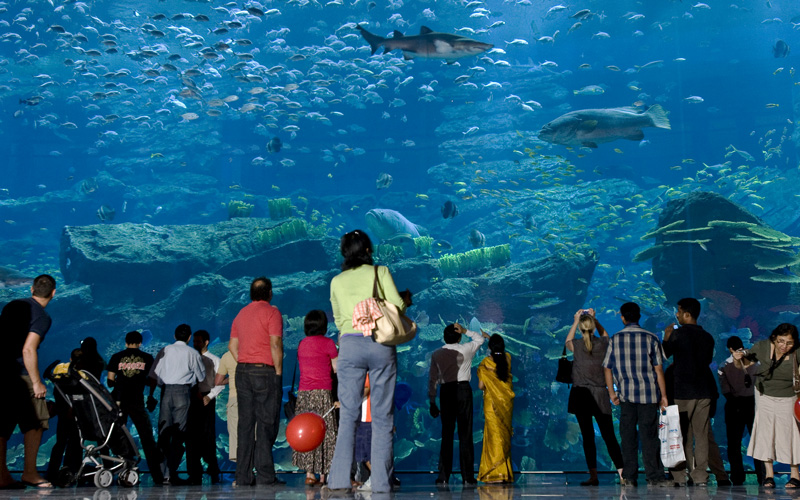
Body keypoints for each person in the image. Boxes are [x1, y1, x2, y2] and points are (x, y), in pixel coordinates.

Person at [325, 230, 411, 495]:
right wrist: (404, 301)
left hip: (350, 345)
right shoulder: (379, 272)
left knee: (348, 414)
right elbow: (396, 305)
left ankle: (338, 479)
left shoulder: (336, 281)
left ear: (344, 252)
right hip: (380, 344)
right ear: (368, 251)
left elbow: (339, 320)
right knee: (383, 417)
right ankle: (382, 484)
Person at [602, 301, 670, 487]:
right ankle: (655, 476)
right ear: (639, 316)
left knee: (628, 437)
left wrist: (611, 393)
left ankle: (629, 477)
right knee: (650, 437)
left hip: (626, 396)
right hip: (649, 395)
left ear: (623, 317)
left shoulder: (615, 339)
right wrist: (663, 396)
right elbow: (658, 369)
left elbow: (607, 368)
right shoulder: (651, 338)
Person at [0, 274, 56, 490]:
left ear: (32, 289)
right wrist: (37, 382)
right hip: (21, 374)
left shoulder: (12, 306)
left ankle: (3, 476)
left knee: (3, 425)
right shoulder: (41, 316)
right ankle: (30, 473)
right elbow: (28, 349)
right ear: (53, 293)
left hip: (3, 372)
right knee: (36, 421)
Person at [229, 277, 284, 487]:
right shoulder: (272, 312)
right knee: (266, 424)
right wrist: (277, 372)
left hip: (242, 371)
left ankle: (242, 477)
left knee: (245, 424)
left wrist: (245, 360)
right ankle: (265, 476)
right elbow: (275, 343)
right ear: (269, 293)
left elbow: (232, 346)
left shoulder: (241, 314)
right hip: (264, 372)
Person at [564, 309, 623, 486]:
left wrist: (575, 321)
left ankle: (593, 475)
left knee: (587, 436)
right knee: (609, 436)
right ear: (593, 329)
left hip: (581, 394)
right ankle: (622, 474)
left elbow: (567, 340)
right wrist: (595, 320)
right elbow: (606, 334)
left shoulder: (576, 344)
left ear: (581, 329)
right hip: (599, 394)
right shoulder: (603, 344)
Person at [739, 323, 800, 489]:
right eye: (781, 341)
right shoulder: (763, 347)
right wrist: (740, 356)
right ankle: (769, 475)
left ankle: (795, 475)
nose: (784, 346)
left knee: (790, 434)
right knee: (766, 433)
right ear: (774, 338)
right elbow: (745, 362)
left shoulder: (797, 353)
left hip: (788, 396)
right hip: (764, 395)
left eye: (789, 343)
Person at [662, 297, 715, 486]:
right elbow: (707, 361)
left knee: (680, 434)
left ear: (686, 314)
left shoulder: (678, 334)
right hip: (704, 391)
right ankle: (700, 476)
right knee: (701, 435)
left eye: (678, 311)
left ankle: (679, 476)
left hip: (683, 390)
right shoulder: (708, 337)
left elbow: (664, 355)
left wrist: (666, 338)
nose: (676, 314)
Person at [428, 322, 488, 486]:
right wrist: (466, 330)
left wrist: (432, 402)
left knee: (447, 434)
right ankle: (468, 476)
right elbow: (480, 339)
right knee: (465, 434)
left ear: (443, 337)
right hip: (463, 391)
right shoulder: (466, 349)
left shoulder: (437, 354)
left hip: (446, 392)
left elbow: (433, 379)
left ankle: (443, 476)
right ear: (459, 336)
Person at [150, 324, 205, 485]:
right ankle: (171, 473)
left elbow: (155, 374)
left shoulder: (165, 350)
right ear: (189, 337)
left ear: (174, 336)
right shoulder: (192, 353)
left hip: (166, 392)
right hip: (183, 392)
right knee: (179, 434)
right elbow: (200, 376)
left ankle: (161, 474)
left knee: (164, 432)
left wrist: (161, 388)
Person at [106, 330, 164, 485]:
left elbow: (110, 380)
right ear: (140, 343)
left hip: (118, 402)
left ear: (126, 342)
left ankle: (123, 469)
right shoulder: (147, 358)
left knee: (119, 436)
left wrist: (120, 382)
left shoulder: (116, 357)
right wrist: (150, 395)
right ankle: (157, 476)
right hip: (137, 402)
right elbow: (153, 379)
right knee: (147, 438)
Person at [292, 310, 338, 486]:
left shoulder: (302, 344)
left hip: (304, 393)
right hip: (323, 393)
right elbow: (336, 369)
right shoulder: (328, 344)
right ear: (324, 325)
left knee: (306, 431)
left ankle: (309, 473)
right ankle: (324, 474)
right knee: (324, 432)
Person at [719, 335, 763, 485]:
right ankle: (762, 475)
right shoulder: (755, 362)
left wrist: (734, 401)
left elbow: (725, 390)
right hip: (753, 404)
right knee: (757, 441)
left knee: (734, 444)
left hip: (734, 406)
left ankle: (737, 477)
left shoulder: (724, 365)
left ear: (730, 348)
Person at [477, 334, 515, 484]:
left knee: (493, 437)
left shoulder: (485, 363)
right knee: (504, 436)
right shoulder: (508, 359)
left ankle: (493, 472)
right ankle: (504, 472)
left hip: (491, 406)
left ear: (489, 349)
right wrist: (491, 339)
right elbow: (501, 353)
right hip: (506, 405)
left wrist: (488, 342)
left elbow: (481, 386)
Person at [187, 329, 222, 485]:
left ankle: (213, 471)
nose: (195, 344)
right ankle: (195, 473)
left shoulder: (214, 359)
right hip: (191, 399)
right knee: (192, 436)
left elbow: (220, 383)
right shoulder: (189, 357)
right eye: (194, 341)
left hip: (207, 399)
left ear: (206, 342)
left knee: (208, 435)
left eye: (198, 341)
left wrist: (210, 396)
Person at [46, 348, 83, 485]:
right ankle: (73, 471)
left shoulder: (59, 369)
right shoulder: (81, 373)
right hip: (76, 412)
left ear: (70, 358)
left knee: (60, 442)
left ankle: (51, 473)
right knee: (76, 443)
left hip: (62, 410)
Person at [215, 350, 238, 463]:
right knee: (253, 433)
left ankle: (240, 473)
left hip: (235, 399)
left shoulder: (228, 355)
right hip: (253, 399)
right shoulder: (254, 352)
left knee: (234, 435)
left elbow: (218, 381)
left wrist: (233, 377)